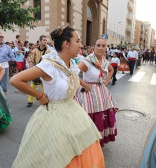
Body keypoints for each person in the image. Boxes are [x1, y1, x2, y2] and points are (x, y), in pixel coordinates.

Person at [10, 26, 105, 168]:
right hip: (53, 115)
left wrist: (85, 85)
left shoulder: (71, 64)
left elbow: (73, 78)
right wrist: (39, 95)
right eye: (77, 41)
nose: (80, 45)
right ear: (66, 44)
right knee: (57, 154)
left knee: (82, 147)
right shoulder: (49, 65)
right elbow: (15, 80)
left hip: (73, 110)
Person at [74, 37, 118, 147]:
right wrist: (85, 85)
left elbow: (111, 69)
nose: (101, 48)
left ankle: (98, 141)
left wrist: (107, 80)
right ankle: (88, 142)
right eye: (98, 45)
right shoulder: (87, 61)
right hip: (88, 93)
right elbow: (72, 73)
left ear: (106, 48)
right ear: (94, 47)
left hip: (101, 92)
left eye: (103, 46)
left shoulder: (104, 61)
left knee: (101, 116)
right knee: (90, 116)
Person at [26, 35, 51, 107]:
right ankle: (30, 101)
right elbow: (30, 60)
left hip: (45, 72)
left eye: (46, 40)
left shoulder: (48, 51)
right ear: (40, 41)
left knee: (45, 87)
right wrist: (30, 72)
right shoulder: (34, 51)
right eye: (44, 40)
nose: (45, 41)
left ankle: (45, 100)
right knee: (32, 87)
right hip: (36, 70)